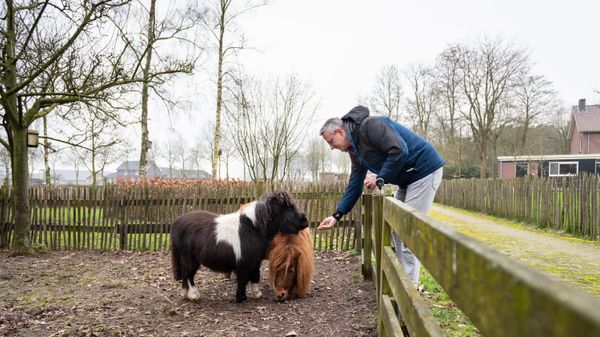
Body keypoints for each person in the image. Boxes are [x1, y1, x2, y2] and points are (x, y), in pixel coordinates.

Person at [317, 105, 445, 286]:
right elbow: (355, 183)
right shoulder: (355, 149)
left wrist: (380, 178)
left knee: (408, 232)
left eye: (330, 141)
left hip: (424, 171)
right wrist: (337, 215)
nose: (331, 147)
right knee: (396, 228)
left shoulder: (372, 126)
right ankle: (401, 283)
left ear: (340, 131)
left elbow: (399, 150)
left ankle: (409, 293)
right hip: (406, 179)